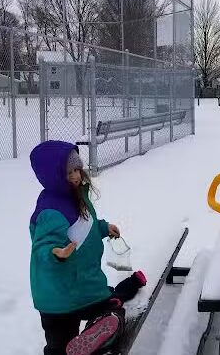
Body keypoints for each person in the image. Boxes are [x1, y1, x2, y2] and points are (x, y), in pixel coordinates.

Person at [29, 140, 147, 355]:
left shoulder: (76, 196)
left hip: (83, 288)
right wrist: (56, 252)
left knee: (113, 307)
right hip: (59, 296)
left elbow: (85, 225)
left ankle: (96, 333)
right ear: (53, 176)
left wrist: (103, 228)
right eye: (68, 172)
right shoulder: (51, 211)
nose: (75, 176)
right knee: (59, 345)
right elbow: (43, 245)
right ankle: (88, 341)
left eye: (77, 169)